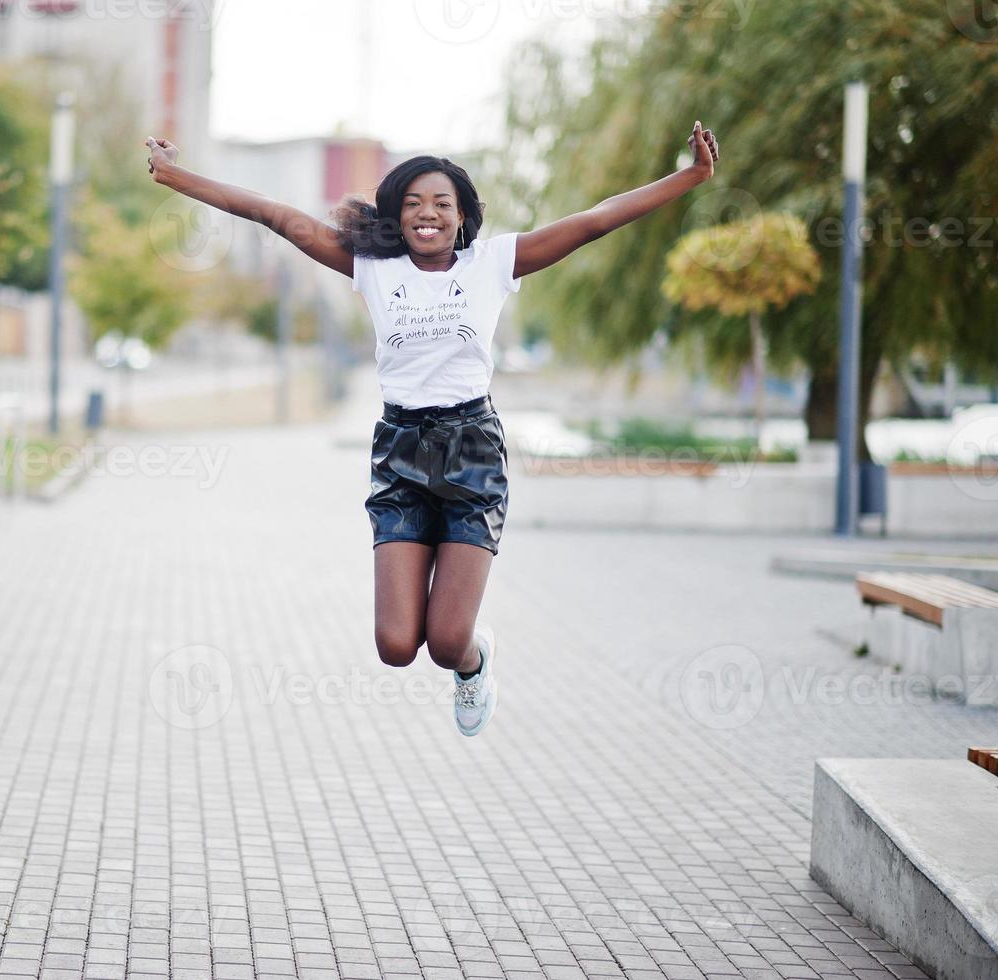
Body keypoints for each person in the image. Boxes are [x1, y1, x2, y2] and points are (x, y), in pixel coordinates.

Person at [145, 122, 720, 736]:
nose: (428, 215)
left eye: (442, 204)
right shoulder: (371, 266)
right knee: (395, 645)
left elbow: (595, 219)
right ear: (395, 215)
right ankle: (454, 647)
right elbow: (272, 214)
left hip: (472, 449)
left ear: (462, 216)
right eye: (414, 204)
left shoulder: (494, 263)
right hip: (400, 451)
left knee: (447, 642)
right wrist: (176, 176)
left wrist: (690, 176)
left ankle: (474, 663)